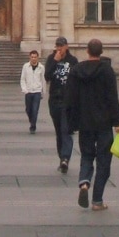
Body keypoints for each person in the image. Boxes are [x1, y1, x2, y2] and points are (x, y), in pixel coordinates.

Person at [66, 38, 119, 211]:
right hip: (104, 123)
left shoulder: (76, 71)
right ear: (101, 52)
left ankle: (84, 183)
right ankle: (97, 201)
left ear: (87, 51)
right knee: (104, 161)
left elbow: (70, 99)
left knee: (87, 156)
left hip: (85, 123)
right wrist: (116, 122)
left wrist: (72, 122)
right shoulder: (107, 71)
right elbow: (113, 98)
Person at [44, 37, 75, 173]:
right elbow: (47, 76)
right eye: (57, 46)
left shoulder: (73, 61)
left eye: (61, 46)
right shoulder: (51, 59)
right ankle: (62, 157)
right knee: (59, 132)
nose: (59, 49)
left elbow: (76, 80)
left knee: (66, 130)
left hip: (68, 101)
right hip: (54, 100)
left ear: (66, 46)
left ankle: (65, 158)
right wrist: (55, 61)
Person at [20, 49, 44, 133]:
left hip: (37, 91)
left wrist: (42, 92)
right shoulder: (25, 66)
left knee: (35, 109)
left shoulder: (41, 67)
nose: (33, 59)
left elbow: (43, 80)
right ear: (29, 57)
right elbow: (22, 79)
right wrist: (25, 90)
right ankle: (32, 120)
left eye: (35, 57)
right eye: (32, 57)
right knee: (28, 109)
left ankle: (33, 126)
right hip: (28, 91)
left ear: (38, 58)